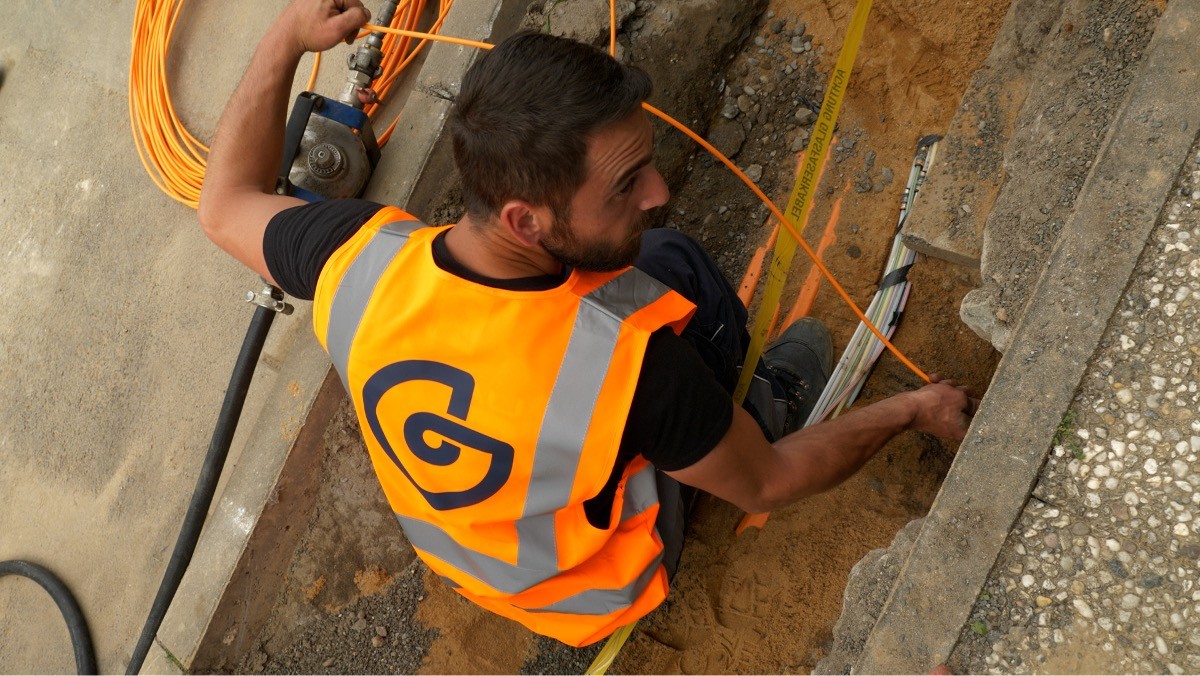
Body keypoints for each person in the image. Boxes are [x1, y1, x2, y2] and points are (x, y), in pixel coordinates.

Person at [198, 0, 979, 648]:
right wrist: (912, 408)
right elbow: (769, 482)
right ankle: (765, 404)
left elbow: (223, 203)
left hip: (485, 558)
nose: (657, 189)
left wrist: (284, 38)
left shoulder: (357, 255)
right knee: (672, 281)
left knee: (661, 253)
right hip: (602, 581)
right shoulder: (629, 365)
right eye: (623, 184)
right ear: (524, 221)